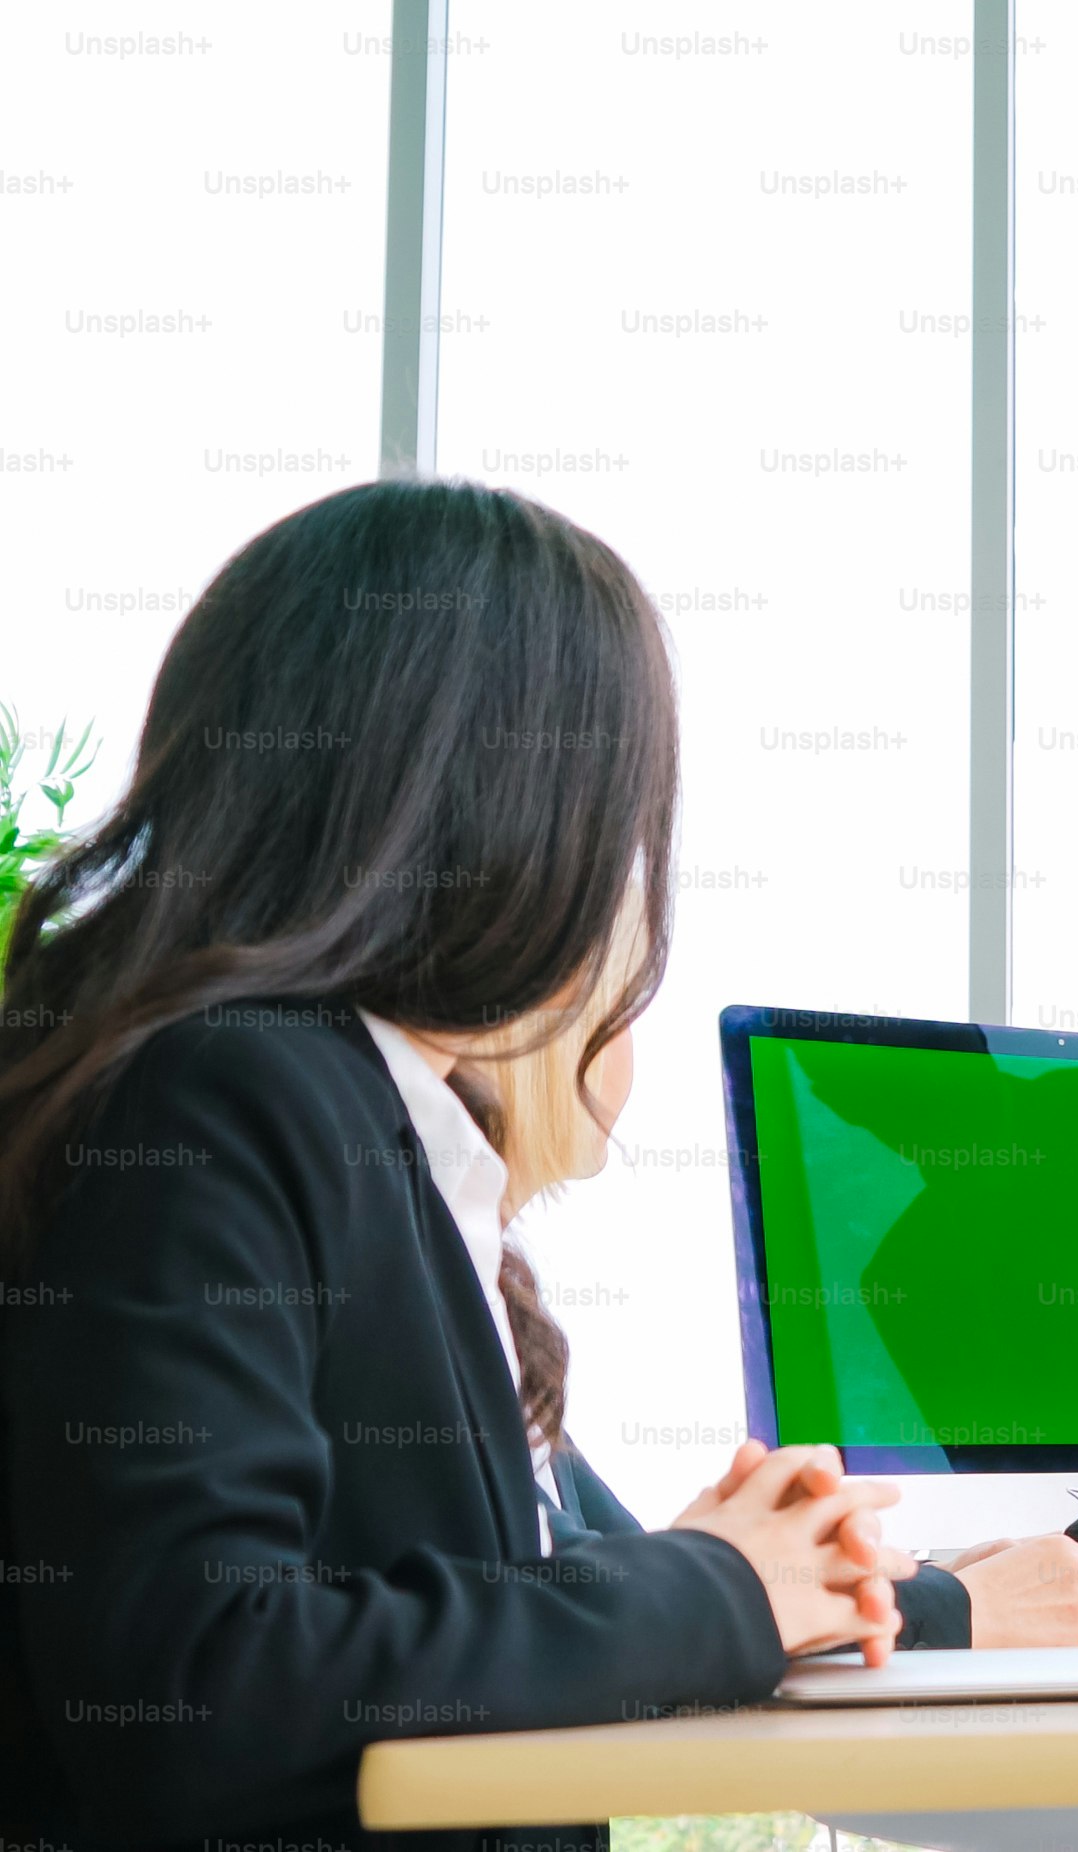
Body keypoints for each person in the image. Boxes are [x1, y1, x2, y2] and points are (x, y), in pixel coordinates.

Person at [0, 480, 907, 1852]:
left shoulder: (348, 1112)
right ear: (506, 802)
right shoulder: (233, 1090)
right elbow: (204, 1682)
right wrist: (718, 1587)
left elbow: (466, 1597)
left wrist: (752, 1576)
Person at [469, 940, 1078, 1648]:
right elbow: (615, 1600)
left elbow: (630, 1583)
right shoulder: (899, 1264)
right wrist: (955, 1603)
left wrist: (932, 1586)